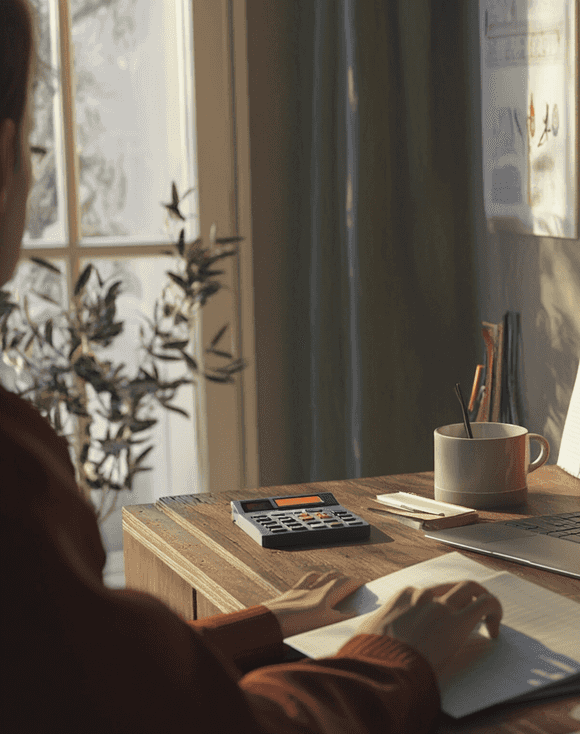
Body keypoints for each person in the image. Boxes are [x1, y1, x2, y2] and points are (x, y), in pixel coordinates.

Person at [0, 2, 502, 732]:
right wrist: (394, 654)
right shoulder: (12, 477)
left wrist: (264, 623)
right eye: (35, 149)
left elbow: (81, 681)